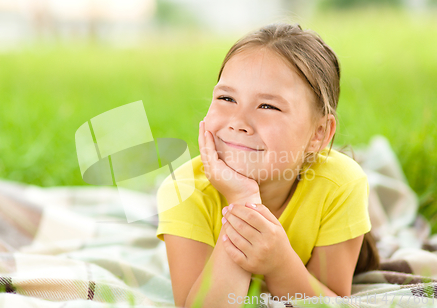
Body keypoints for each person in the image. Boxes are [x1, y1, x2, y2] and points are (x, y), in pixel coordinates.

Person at [155, 23, 379, 308]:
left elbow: (330, 303)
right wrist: (243, 200)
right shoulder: (183, 190)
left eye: (267, 106)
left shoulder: (340, 185)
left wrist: (280, 263)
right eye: (226, 98)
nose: (238, 122)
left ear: (318, 134)